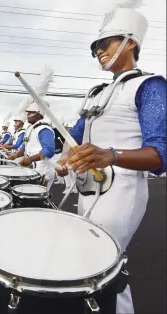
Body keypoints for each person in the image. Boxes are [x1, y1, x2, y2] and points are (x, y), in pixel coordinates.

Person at [56, 3, 166, 314]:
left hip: (123, 191)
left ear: (131, 42)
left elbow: (160, 154)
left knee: (103, 266)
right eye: (95, 49)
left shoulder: (150, 85)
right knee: (89, 265)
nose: (99, 52)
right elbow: (75, 138)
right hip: (88, 188)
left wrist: (111, 155)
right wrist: (66, 160)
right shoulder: (95, 93)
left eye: (106, 44)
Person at [8, 102, 55, 190]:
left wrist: (30, 159)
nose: (28, 115)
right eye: (28, 113)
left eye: (31, 113)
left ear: (39, 114)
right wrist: (15, 155)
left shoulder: (44, 129)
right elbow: (24, 146)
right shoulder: (31, 128)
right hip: (33, 168)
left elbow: (49, 151)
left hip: (43, 169)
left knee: (38, 199)